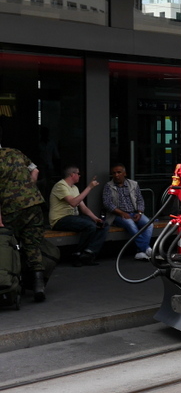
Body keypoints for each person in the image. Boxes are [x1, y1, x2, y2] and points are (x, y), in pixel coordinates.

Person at [0, 125, 47, 301]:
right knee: (32, 245)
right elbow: (35, 170)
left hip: (10, 208)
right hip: (34, 204)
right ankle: (38, 286)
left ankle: (12, 285)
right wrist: (28, 188)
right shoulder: (15, 152)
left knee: (8, 245)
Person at [49, 166, 105, 266]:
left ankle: (89, 253)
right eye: (78, 173)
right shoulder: (60, 186)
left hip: (73, 218)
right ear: (72, 175)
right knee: (89, 226)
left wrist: (96, 218)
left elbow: (83, 207)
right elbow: (73, 203)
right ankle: (77, 254)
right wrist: (89, 187)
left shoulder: (74, 188)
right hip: (60, 219)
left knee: (103, 224)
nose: (79, 176)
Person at [103, 163, 153, 260]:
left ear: (124, 173)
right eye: (114, 173)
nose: (116, 175)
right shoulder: (108, 186)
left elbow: (140, 200)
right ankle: (146, 248)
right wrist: (121, 213)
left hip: (135, 212)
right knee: (130, 224)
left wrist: (140, 212)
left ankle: (141, 252)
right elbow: (107, 203)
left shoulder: (133, 184)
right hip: (117, 215)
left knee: (149, 224)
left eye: (119, 172)